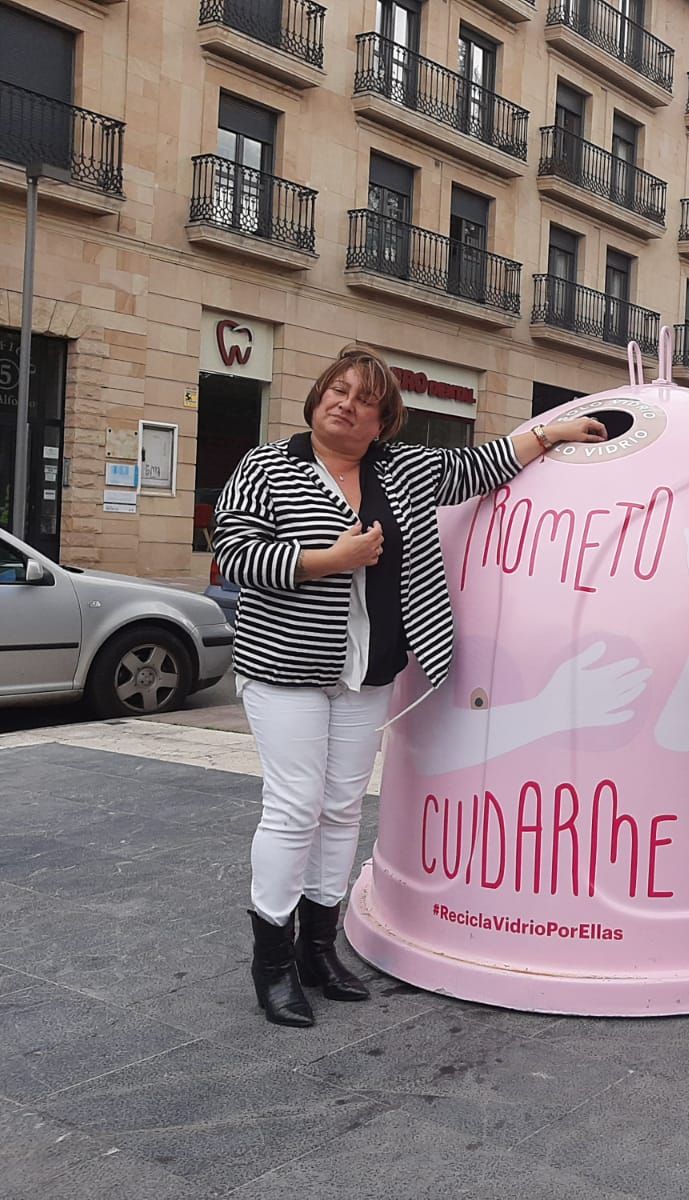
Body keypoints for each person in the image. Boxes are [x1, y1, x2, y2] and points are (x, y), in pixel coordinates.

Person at [214, 343, 606, 1028]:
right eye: (338, 390)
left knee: (340, 807)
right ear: (316, 399)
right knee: (294, 805)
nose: (346, 404)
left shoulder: (406, 468)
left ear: (382, 422)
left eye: (365, 400)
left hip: (369, 667)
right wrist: (323, 561)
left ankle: (318, 949)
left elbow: (478, 466)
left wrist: (554, 432)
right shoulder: (267, 466)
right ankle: (271, 964)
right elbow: (235, 552)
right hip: (287, 667)